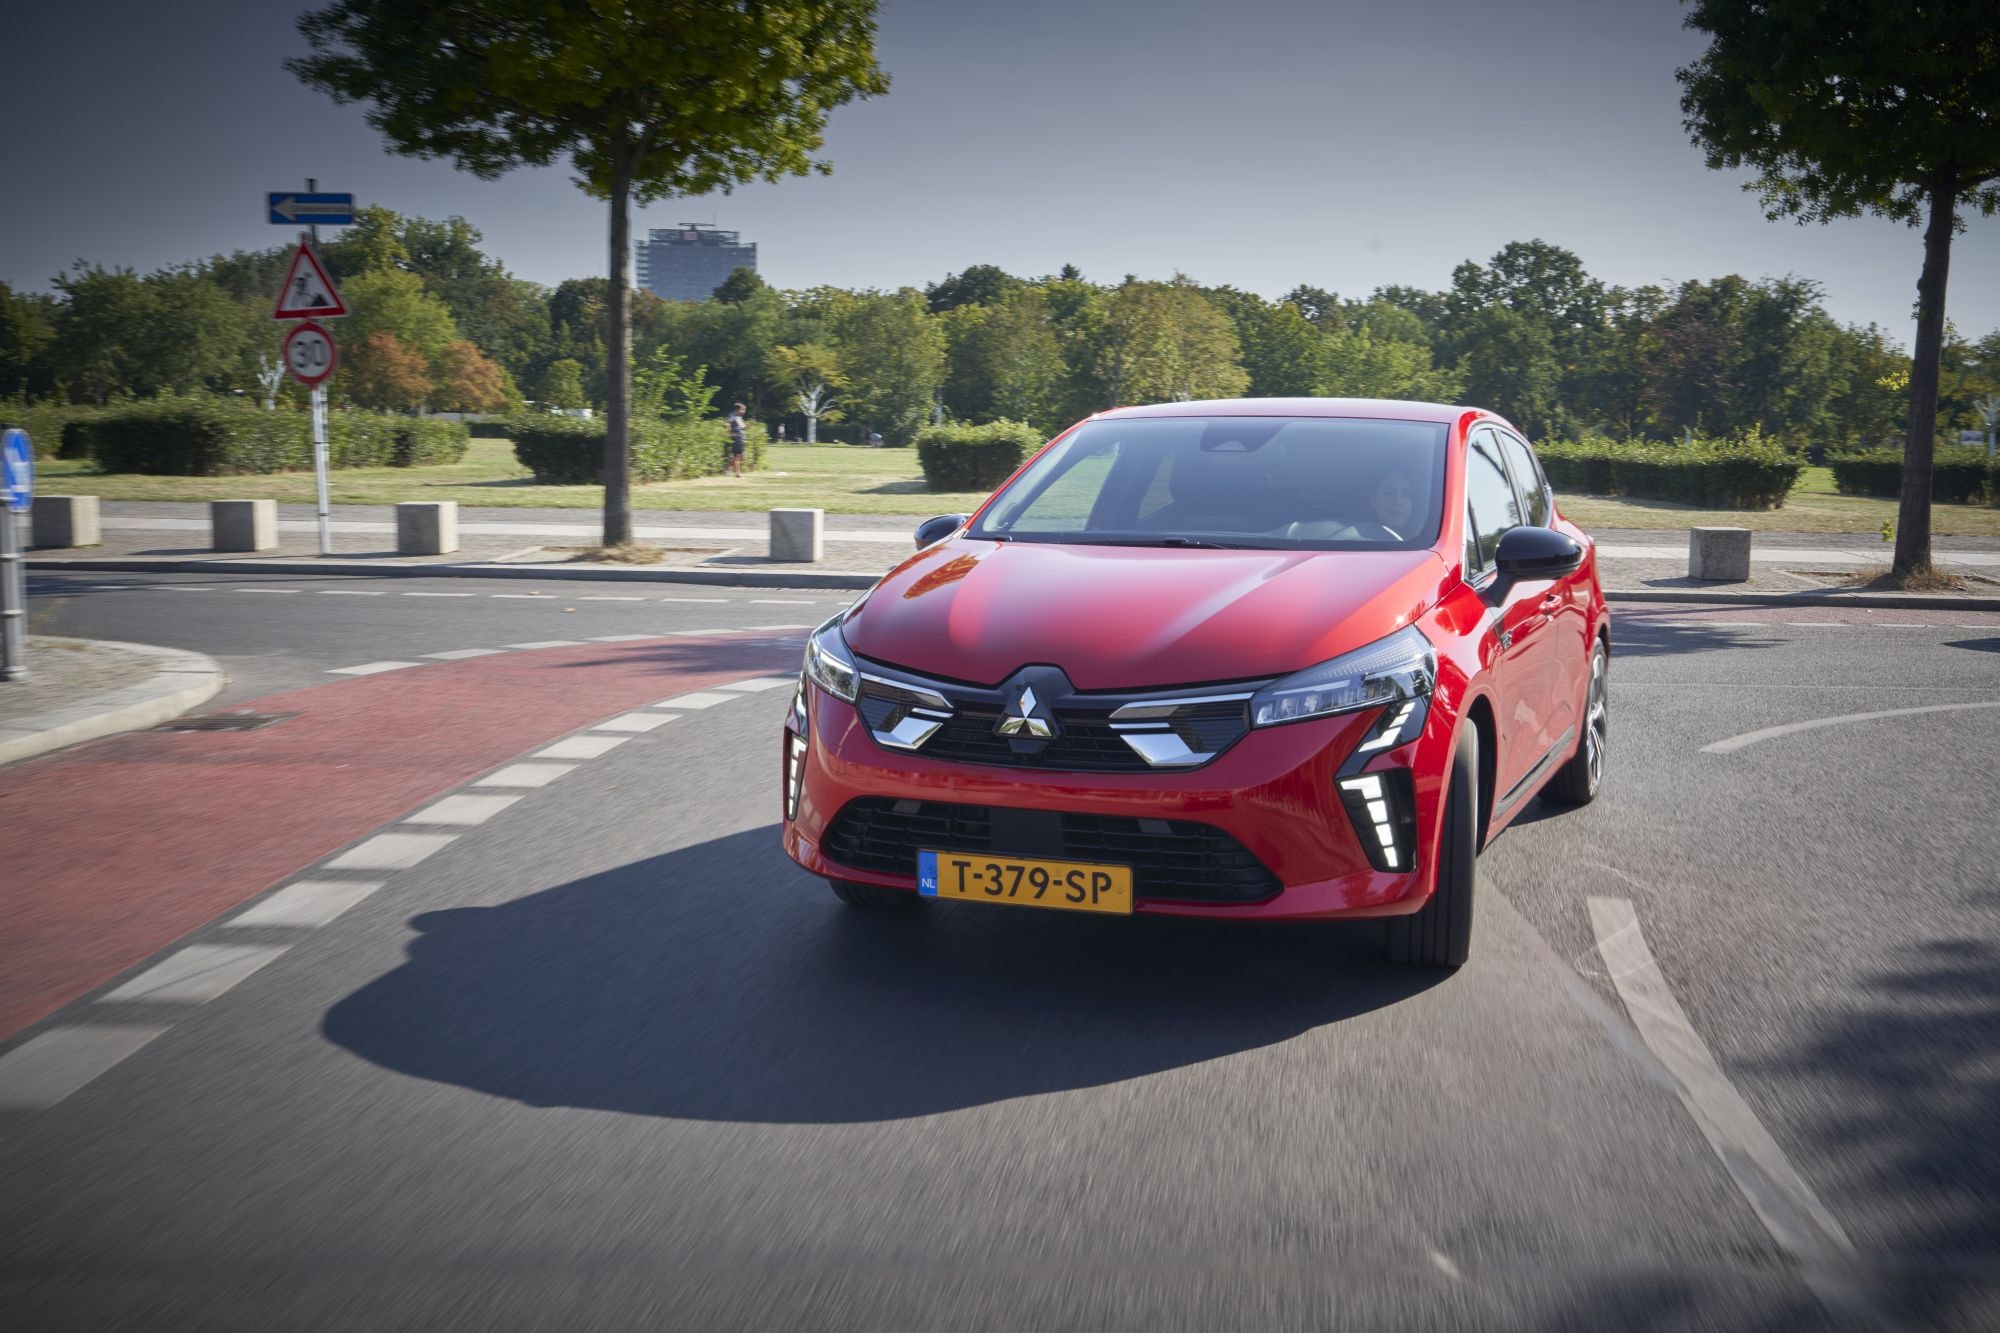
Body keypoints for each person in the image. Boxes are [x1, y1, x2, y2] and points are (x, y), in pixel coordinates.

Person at [725, 403, 748, 477]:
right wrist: (730, 433)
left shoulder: (739, 417)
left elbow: (743, 427)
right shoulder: (732, 416)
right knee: (738, 457)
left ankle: (727, 469)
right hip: (737, 439)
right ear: (737, 409)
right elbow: (727, 424)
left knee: (741, 457)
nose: (744, 411)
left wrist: (746, 426)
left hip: (741, 439)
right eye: (742, 410)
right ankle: (737, 474)